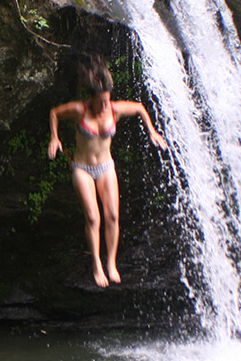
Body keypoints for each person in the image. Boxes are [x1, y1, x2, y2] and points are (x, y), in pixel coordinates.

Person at [48, 57, 167, 288]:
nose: (104, 106)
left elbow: (140, 108)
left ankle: (111, 262)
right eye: (100, 102)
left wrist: (152, 131)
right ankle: (96, 264)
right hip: (82, 168)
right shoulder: (78, 109)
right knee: (93, 217)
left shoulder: (114, 109)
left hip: (106, 166)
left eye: (107, 100)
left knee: (112, 215)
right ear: (90, 98)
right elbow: (54, 113)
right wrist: (55, 137)